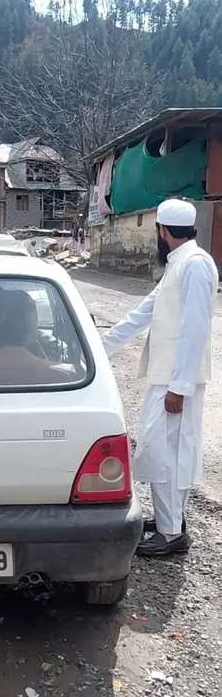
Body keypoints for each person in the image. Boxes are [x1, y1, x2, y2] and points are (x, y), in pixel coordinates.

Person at [101, 198, 218, 558]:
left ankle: (171, 534)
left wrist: (179, 387)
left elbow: (194, 331)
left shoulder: (195, 266)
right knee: (163, 453)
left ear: (162, 232)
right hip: (165, 379)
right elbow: (143, 313)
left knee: (166, 455)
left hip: (175, 384)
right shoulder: (178, 264)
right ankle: (171, 521)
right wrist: (97, 348)